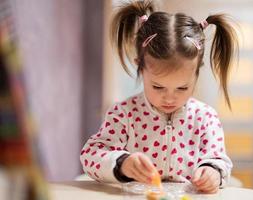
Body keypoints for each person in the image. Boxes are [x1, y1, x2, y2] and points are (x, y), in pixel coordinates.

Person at [80, 0, 238, 194]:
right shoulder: (124, 113)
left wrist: (212, 172)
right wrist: (122, 163)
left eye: (182, 88)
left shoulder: (205, 117)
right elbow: (91, 155)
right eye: (157, 86)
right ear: (139, 66)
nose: (169, 98)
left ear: (197, 72)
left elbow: (219, 160)